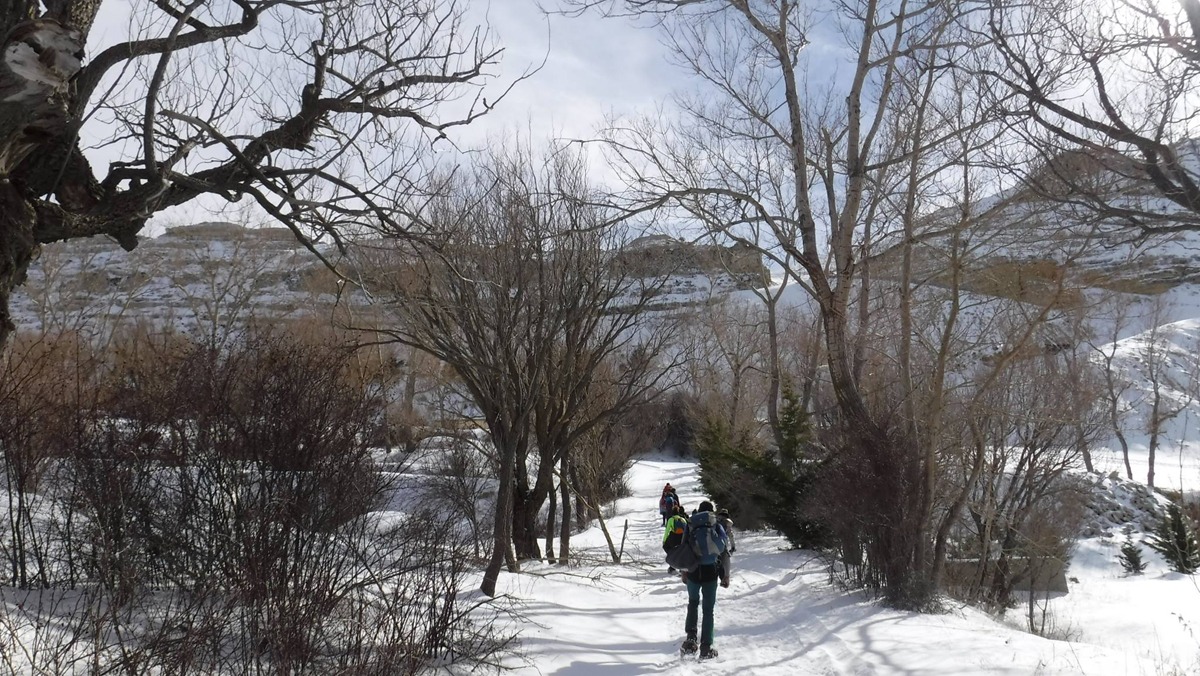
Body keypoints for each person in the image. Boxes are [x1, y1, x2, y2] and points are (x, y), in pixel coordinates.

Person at [679, 500, 728, 660]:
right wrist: (725, 575)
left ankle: (691, 640)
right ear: (711, 512)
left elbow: (684, 547)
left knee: (693, 603)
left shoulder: (691, 524)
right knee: (708, 610)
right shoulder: (716, 525)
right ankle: (706, 647)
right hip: (710, 572)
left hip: (693, 570)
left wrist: (684, 571)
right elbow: (724, 550)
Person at [662, 504, 689, 573]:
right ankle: (681, 567)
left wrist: (664, 540)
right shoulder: (683, 519)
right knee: (681, 551)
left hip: (673, 537)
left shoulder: (671, 519)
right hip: (682, 537)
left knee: (669, 549)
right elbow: (686, 529)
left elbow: (667, 531)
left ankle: (672, 567)